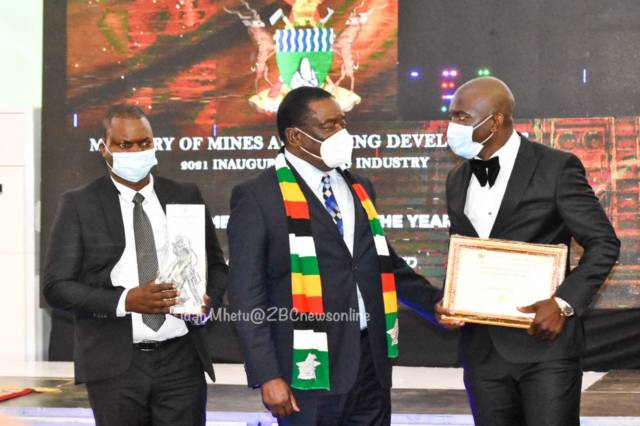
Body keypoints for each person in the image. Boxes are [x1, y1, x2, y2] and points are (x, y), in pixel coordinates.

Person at [227, 86, 442, 425]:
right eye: (329, 125)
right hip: (306, 369)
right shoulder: (258, 197)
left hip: (370, 364)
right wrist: (267, 374)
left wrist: (436, 303)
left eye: (343, 122)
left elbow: (383, 265)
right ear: (295, 137)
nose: (342, 133)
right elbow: (246, 294)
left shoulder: (359, 186)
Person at [437, 77, 620, 426]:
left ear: (494, 122)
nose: (452, 125)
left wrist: (563, 303)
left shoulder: (556, 167)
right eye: (451, 116)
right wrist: (450, 300)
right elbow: (465, 248)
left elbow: (604, 242)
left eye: (461, 116)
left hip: (545, 346)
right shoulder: (457, 178)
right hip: (483, 351)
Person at [43, 104, 228, 426]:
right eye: (124, 145)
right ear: (104, 150)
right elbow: (56, 288)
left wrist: (206, 301)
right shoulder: (79, 203)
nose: (136, 152)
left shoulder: (184, 194)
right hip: (115, 364)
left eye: (144, 143)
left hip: (181, 359)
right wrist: (125, 300)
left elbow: (216, 266)